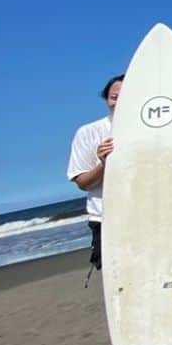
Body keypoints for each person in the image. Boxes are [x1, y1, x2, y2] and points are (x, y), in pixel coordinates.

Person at [66, 74, 123, 272]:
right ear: (107, 99)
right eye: (115, 97)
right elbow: (83, 183)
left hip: (151, 215)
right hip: (107, 219)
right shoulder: (88, 132)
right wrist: (103, 164)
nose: (120, 102)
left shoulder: (156, 130)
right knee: (119, 280)